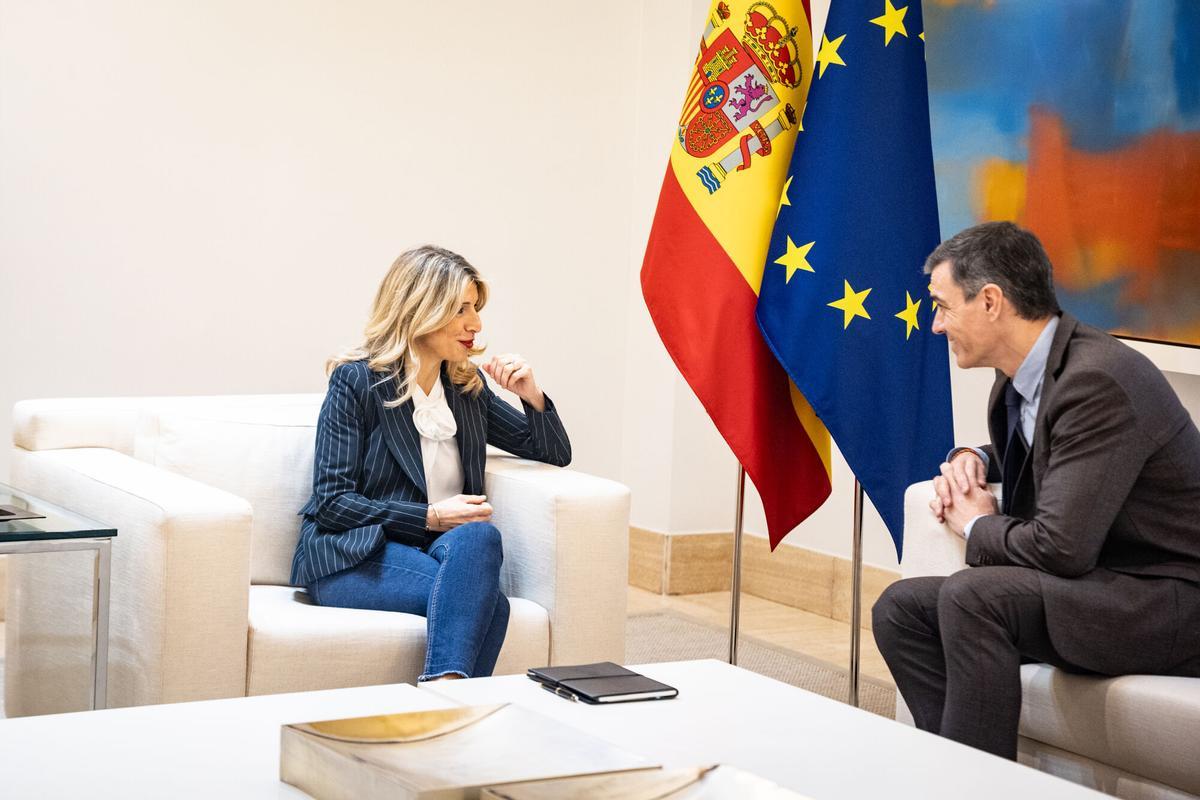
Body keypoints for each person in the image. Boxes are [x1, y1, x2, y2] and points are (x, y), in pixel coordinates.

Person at [872, 221, 1200, 759]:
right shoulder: (1028, 375)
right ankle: (944, 774)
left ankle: (981, 790)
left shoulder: (1098, 380)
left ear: (992, 301)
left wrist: (976, 524)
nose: (935, 325)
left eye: (943, 306)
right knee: (901, 608)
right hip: (1110, 588)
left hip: (1170, 600)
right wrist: (971, 459)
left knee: (974, 595)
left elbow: (1061, 549)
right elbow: (1053, 449)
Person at [289, 245, 571, 681]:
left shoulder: (464, 389)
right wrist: (431, 516)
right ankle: (454, 698)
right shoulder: (357, 382)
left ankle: (444, 694)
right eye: (460, 309)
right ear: (421, 308)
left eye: (475, 309)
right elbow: (332, 503)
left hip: (441, 554)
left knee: (479, 538)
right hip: (356, 555)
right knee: (488, 604)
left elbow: (553, 452)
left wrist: (530, 394)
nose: (475, 324)